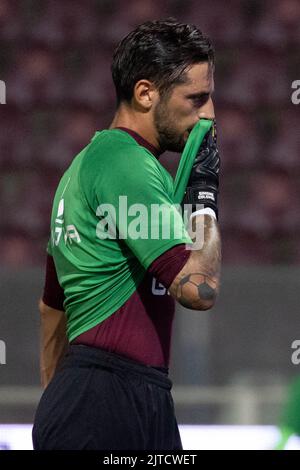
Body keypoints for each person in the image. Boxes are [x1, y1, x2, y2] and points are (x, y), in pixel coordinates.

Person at [32, 19, 221, 450]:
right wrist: (204, 196)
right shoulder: (126, 163)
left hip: (97, 397)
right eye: (197, 99)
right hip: (113, 399)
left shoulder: (85, 166)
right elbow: (201, 289)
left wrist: (60, 398)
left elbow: (51, 307)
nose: (208, 114)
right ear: (145, 93)